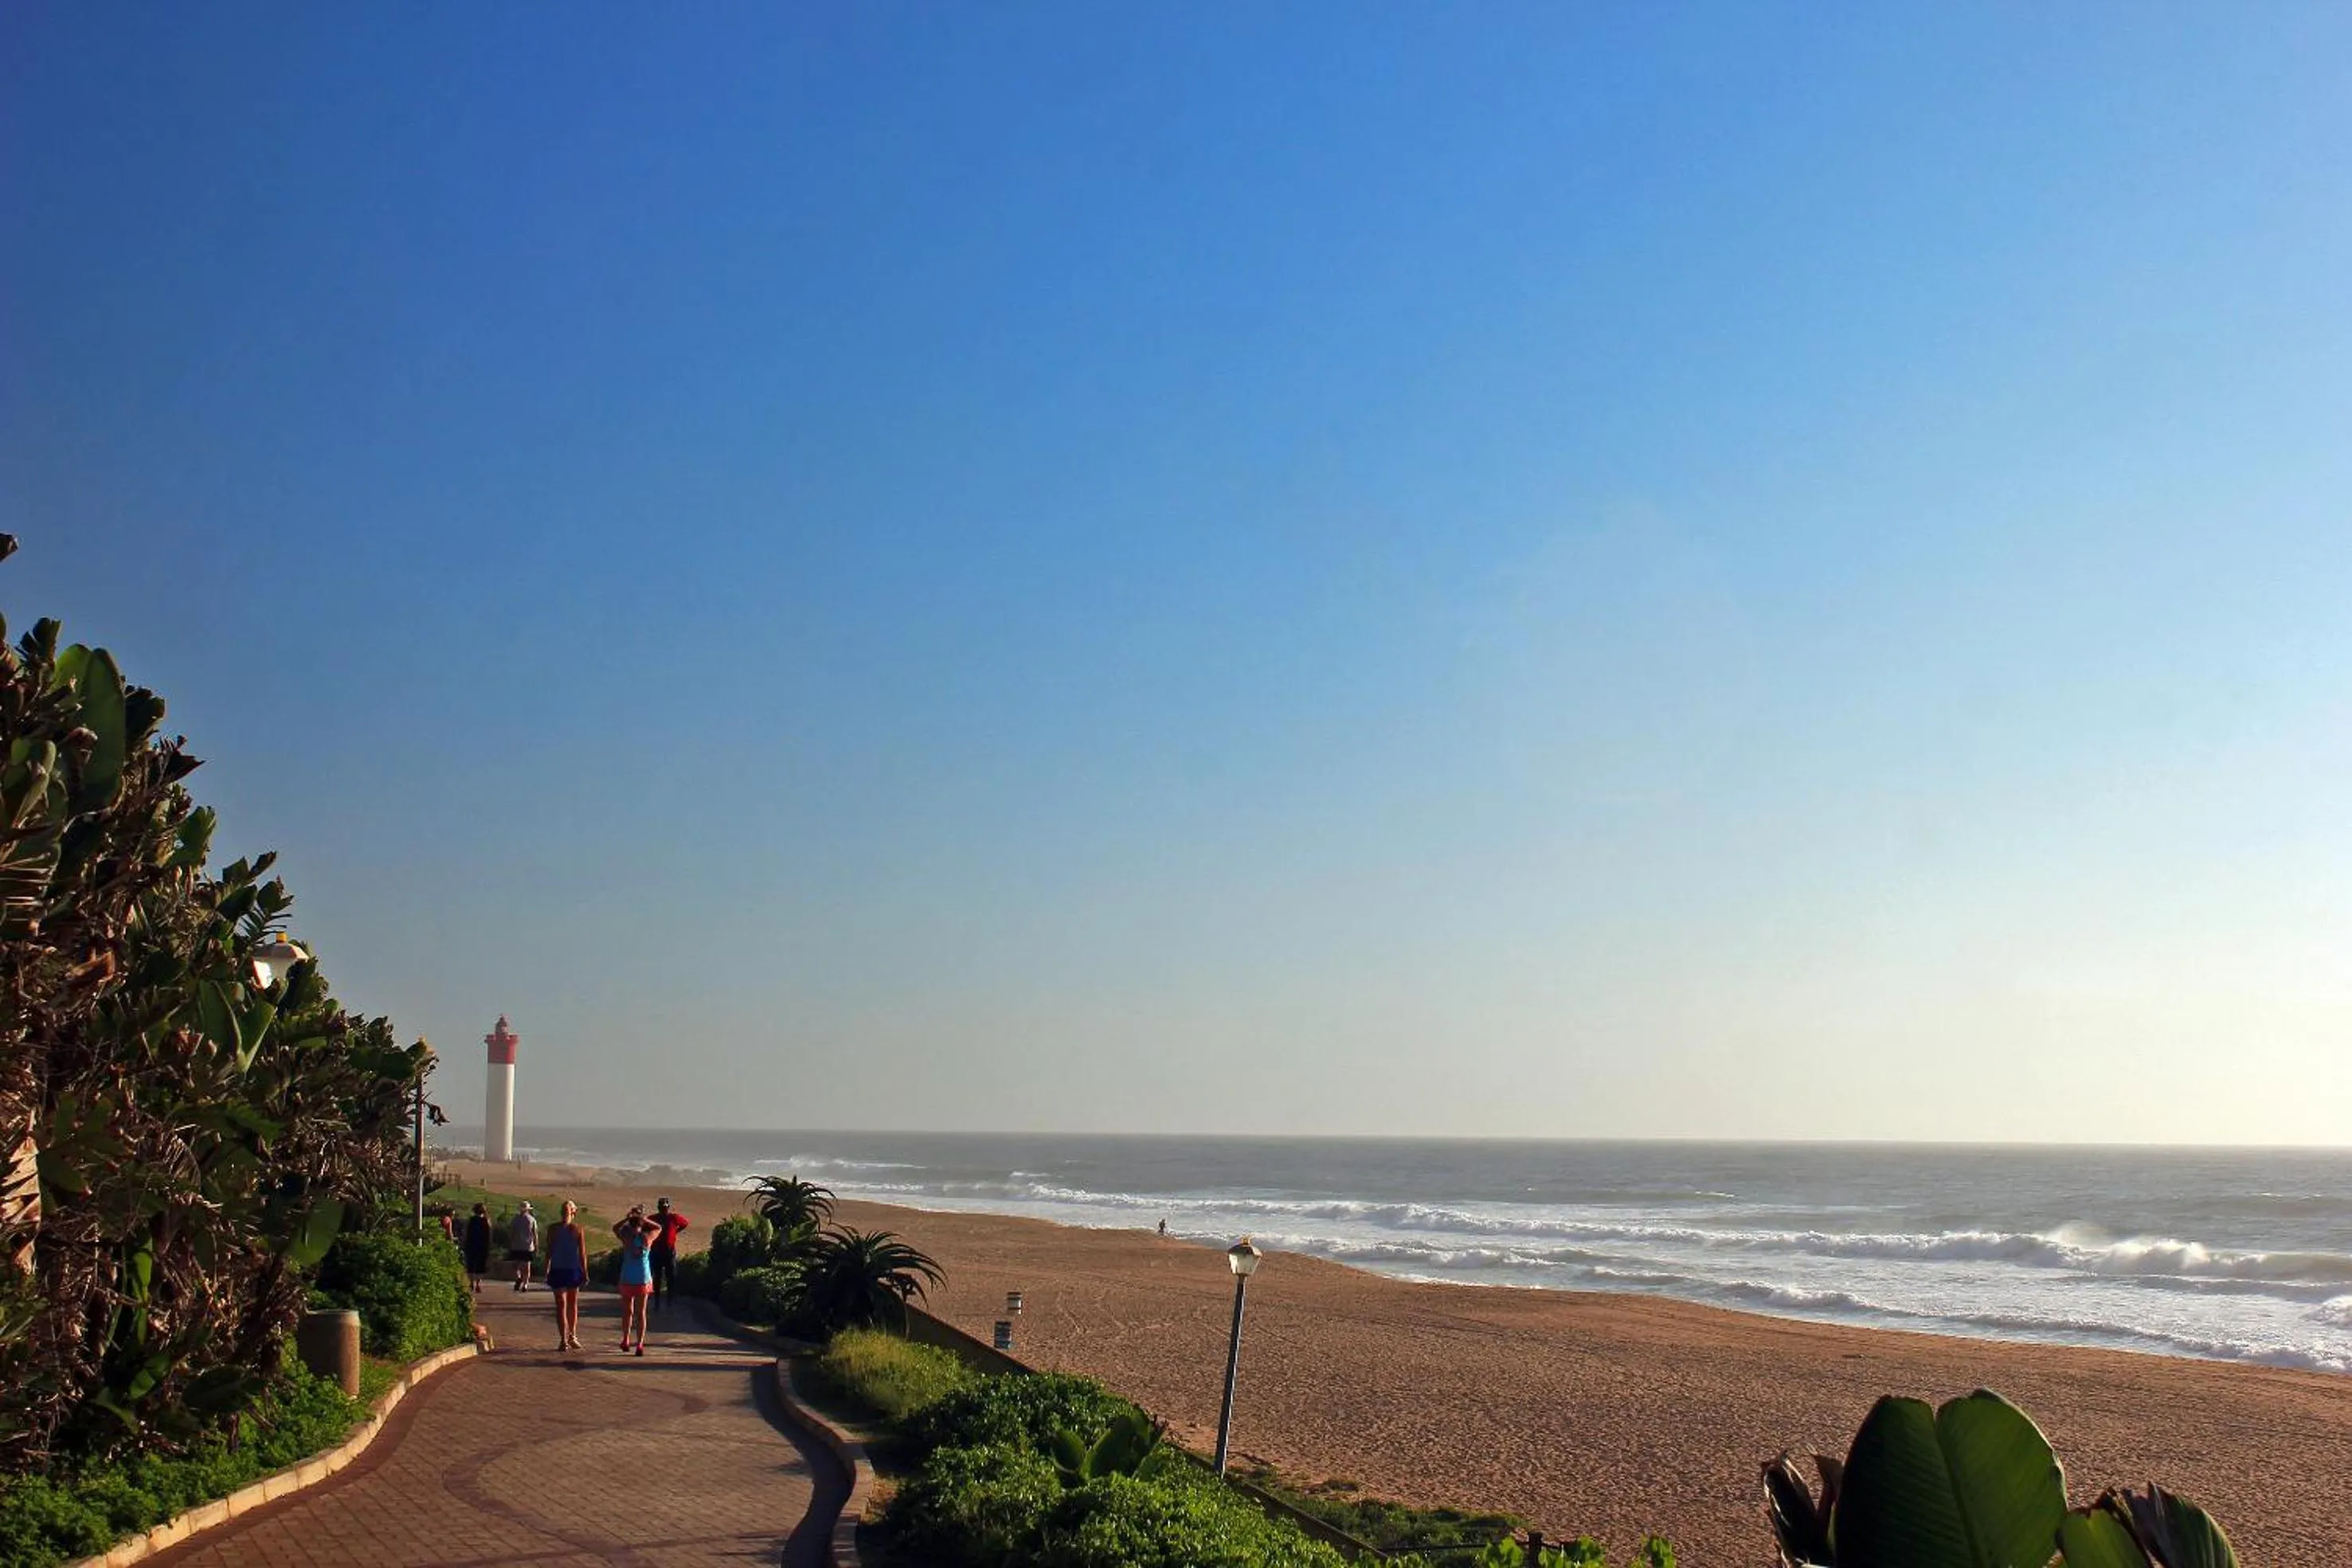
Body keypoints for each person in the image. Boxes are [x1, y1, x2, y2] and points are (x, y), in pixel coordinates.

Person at [612, 1206, 658, 1355]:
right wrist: (645, 1219)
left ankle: (626, 1339)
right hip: (643, 1278)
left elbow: (615, 1228)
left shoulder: (626, 1237)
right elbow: (659, 1228)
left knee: (627, 1312)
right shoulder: (647, 1238)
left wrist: (627, 1218)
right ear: (641, 1224)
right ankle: (640, 1344)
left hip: (627, 1277)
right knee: (641, 1313)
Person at [544, 1199, 588, 1351]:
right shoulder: (553, 1229)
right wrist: (547, 1267)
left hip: (572, 1269)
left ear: (573, 1213)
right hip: (558, 1269)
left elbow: (582, 1253)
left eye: (567, 1212)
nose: (565, 1215)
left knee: (572, 1304)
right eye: (563, 1212)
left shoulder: (577, 1229)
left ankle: (572, 1335)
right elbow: (549, 1249)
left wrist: (585, 1271)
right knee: (561, 1304)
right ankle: (563, 1338)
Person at [648, 1197, 690, 1309]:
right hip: (656, 1250)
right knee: (657, 1276)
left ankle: (670, 1300)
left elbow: (685, 1223)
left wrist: (675, 1231)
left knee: (671, 1276)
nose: (664, 1210)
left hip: (669, 1250)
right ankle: (657, 1300)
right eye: (662, 1208)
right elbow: (644, 1225)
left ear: (668, 1208)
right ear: (659, 1208)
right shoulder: (653, 1218)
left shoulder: (673, 1217)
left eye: (666, 1207)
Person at [507, 1200, 539, 1292]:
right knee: (527, 1267)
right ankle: (525, 1284)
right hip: (528, 1246)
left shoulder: (515, 1219)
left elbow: (512, 1232)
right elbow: (535, 1234)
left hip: (516, 1245)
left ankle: (519, 1278)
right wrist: (537, 1246)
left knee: (516, 1265)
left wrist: (510, 1243)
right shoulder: (532, 1220)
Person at [462, 1202, 493, 1294]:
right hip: (482, 1246)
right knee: (480, 1265)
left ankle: (471, 1283)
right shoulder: (487, 1221)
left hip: (471, 1244)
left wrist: (464, 1243)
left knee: (471, 1265)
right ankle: (478, 1283)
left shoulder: (471, 1220)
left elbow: (466, 1233)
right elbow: (490, 1235)